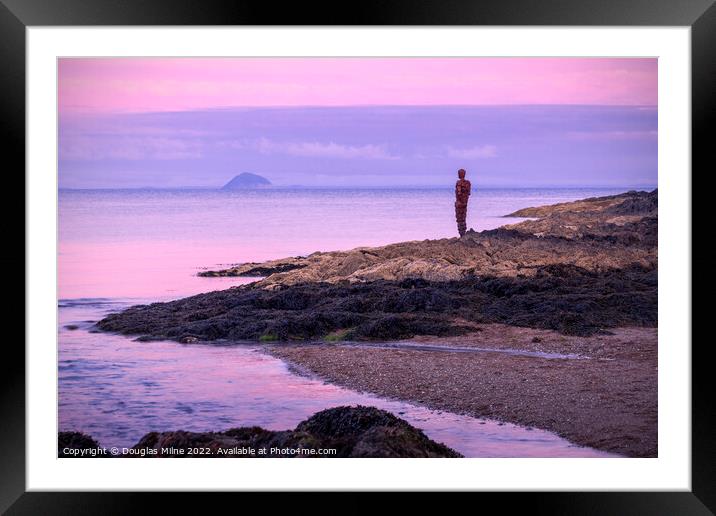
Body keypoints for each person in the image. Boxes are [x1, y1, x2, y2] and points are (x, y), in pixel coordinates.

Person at [454, 168, 471, 237]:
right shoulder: (468, 183)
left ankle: (462, 234)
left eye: (459, 173)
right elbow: (469, 193)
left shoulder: (459, 183)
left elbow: (459, 192)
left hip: (460, 203)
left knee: (460, 218)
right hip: (465, 203)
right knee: (463, 218)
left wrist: (458, 201)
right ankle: (462, 233)